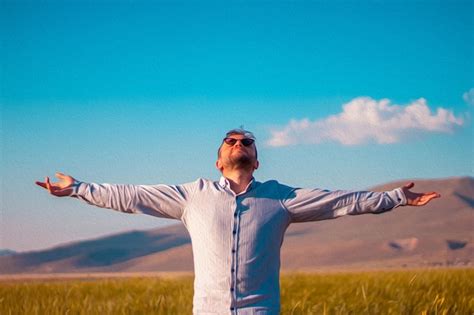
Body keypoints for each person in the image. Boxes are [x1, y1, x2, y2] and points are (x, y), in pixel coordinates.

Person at [36, 128, 440, 315]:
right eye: (230, 141)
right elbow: (132, 196)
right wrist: (78, 188)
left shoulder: (281, 197)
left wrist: (394, 197)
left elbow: (342, 202)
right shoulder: (192, 196)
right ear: (218, 160)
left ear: (256, 159)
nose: (238, 144)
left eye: (246, 141)